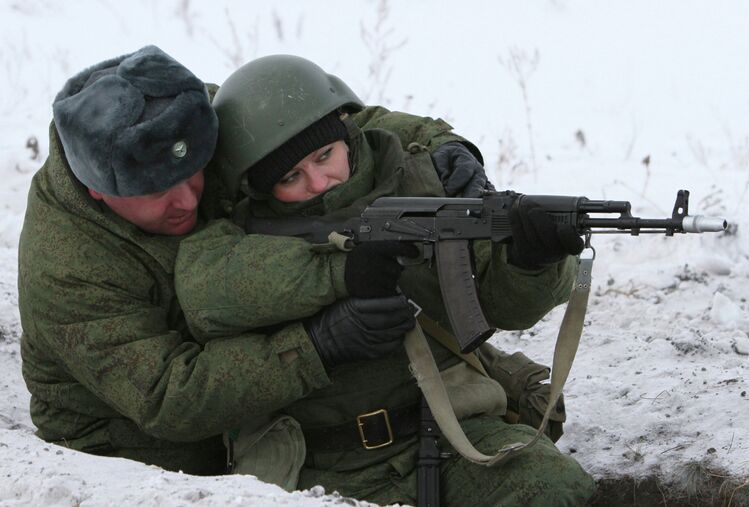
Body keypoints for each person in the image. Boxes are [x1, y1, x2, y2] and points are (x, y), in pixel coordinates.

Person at [17, 46, 493, 477]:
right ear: (99, 190)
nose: (187, 200)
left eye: (194, 172)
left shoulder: (178, 117)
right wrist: (317, 345)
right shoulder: (65, 265)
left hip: (256, 398)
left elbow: (320, 126)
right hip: (131, 448)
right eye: (158, 191)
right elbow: (166, 398)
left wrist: (437, 144)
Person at [175, 55, 595, 505]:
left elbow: (508, 309)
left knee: (556, 491)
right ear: (256, 187)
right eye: (291, 176)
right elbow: (208, 291)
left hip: (455, 431)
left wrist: (533, 260)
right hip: (318, 462)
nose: (319, 182)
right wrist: (341, 273)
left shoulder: (417, 183)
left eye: (325, 155)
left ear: (346, 136)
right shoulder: (235, 234)